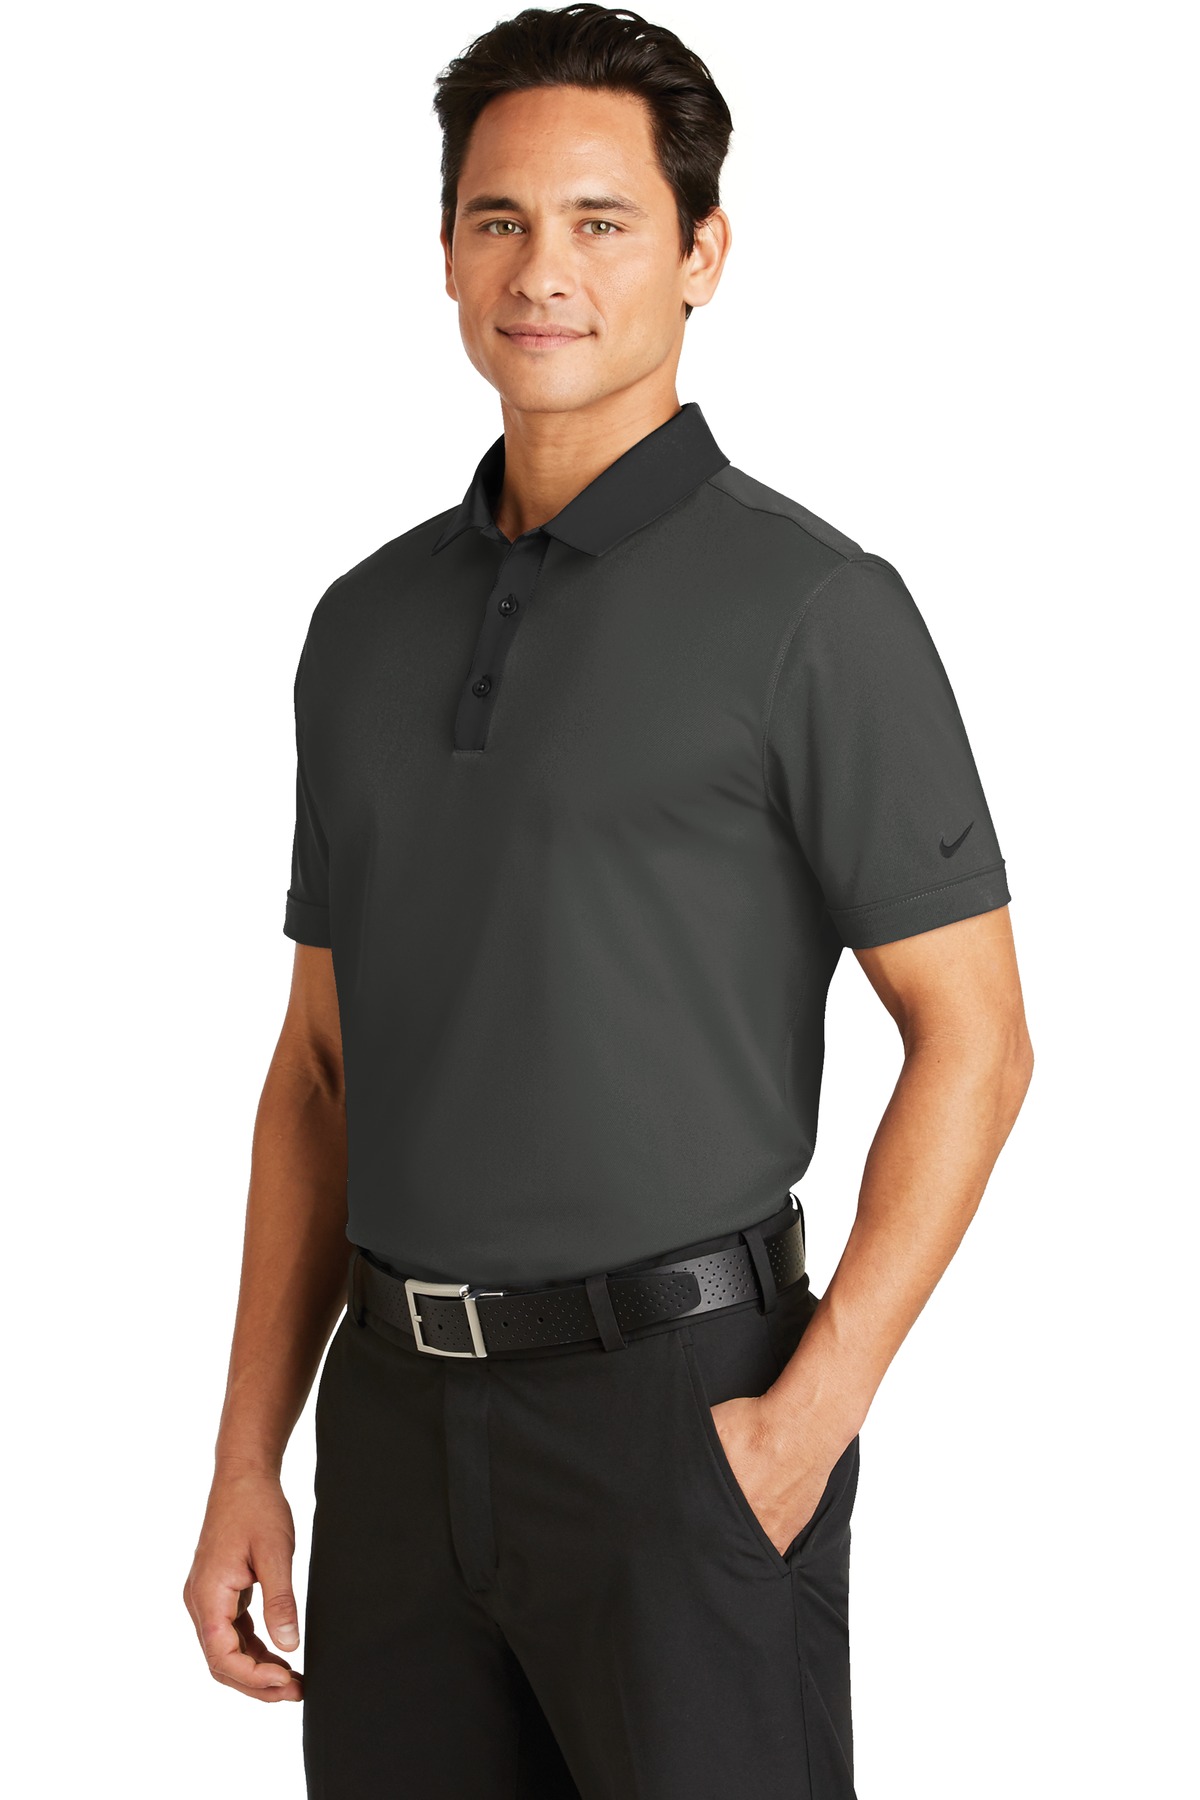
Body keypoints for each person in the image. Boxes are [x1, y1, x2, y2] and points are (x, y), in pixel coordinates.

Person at [183, 6, 1034, 1795]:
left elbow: (977, 1039)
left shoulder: (818, 611)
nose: (542, 271)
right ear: (444, 252)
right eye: (498, 220)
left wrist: (803, 1427)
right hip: (393, 1426)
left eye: (601, 221)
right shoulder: (361, 626)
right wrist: (250, 1453)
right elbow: (320, 1076)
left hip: (683, 1416)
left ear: (702, 253)